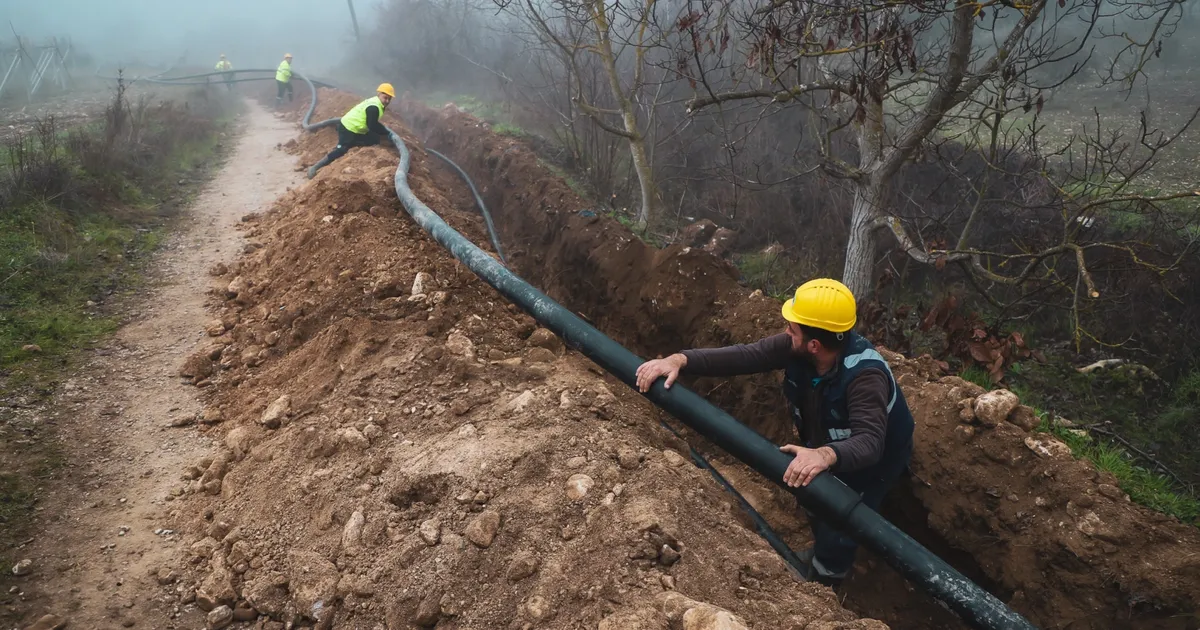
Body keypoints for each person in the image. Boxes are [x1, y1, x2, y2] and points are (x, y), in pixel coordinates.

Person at [634, 278, 914, 589]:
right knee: (816, 499)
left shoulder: (864, 378)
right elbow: (744, 355)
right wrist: (680, 359)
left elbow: (871, 442)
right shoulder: (802, 350)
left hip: (874, 457)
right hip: (827, 442)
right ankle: (821, 548)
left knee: (840, 516)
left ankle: (826, 581)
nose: (785, 333)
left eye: (792, 329)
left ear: (814, 345)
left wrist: (824, 455)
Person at [306, 83, 396, 179]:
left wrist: (385, 134)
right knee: (341, 150)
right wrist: (387, 133)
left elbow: (372, 124)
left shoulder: (376, 103)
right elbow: (372, 125)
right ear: (379, 94)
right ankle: (315, 167)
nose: (386, 101)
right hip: (347, 128)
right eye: (385, 97)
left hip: (358, 128)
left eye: (389, 99)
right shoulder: (374, 107)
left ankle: (353, 143)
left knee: (374, 139)